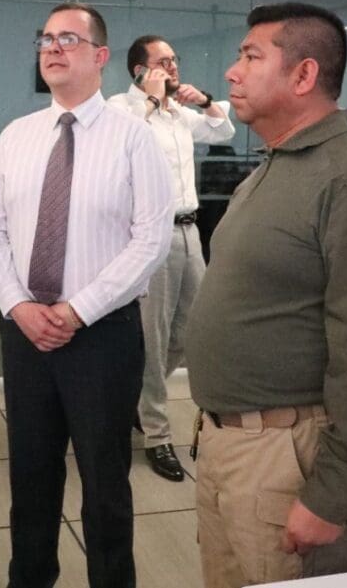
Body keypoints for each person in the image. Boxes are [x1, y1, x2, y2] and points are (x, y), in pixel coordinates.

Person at [185, 2, 347, 587]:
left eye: (251, 56)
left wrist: (333, 495)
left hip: (286, 459)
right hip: (229, 448)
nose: (232, 72)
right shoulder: (277, 166)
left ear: (303, 75)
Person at [0, 2, 173, 588]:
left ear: (100, 56)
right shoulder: (17, 136)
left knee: (105, 486)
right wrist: (19, 305)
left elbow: (151, 240)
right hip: (27, 333)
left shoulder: (134, 138)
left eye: (68, 39)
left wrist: (76, 310)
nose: (52, 49)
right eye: (46, 40)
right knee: (30, 479)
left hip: (103, 336)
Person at [108, 35, 235, 482]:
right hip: (152, 235)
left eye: (175, 60)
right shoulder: (120, 109)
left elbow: (223, 131)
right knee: (155, 334)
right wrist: (150, 100)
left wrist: (205, 102)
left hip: (190, 231)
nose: (174, 67)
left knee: (191, 327)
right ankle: (156, 434)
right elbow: (118, 146)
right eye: (163, 62)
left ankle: (132, 398)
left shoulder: (178, 112)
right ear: (139, 71)